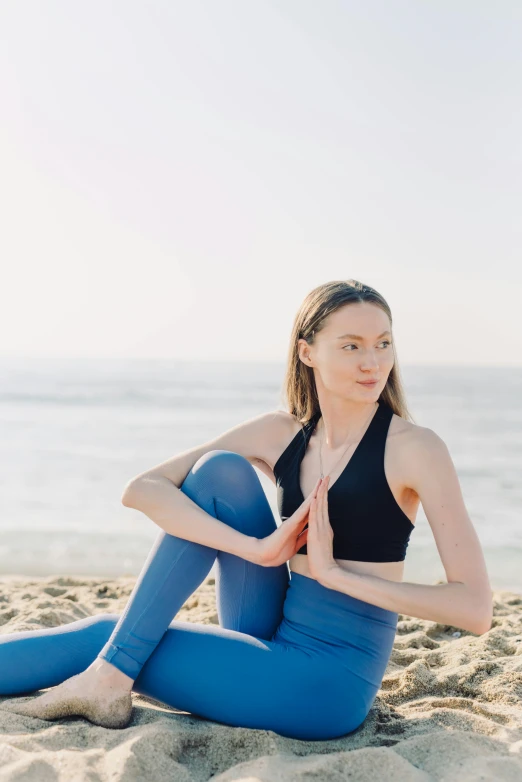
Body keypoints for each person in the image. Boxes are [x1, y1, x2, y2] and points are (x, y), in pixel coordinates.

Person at [0, 279, 492, 741]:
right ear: (307, 351)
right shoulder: (282, 434)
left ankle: (108, 679)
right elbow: (144, 489)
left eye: (383, 343)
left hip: (326, 684)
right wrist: (254, 549)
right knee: (218, 472)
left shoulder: (414, 448)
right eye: (352, 345)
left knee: (108, 638)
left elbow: (474, 609)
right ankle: (112, 673)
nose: (373, 362)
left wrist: (334, 575)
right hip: (270, 628)